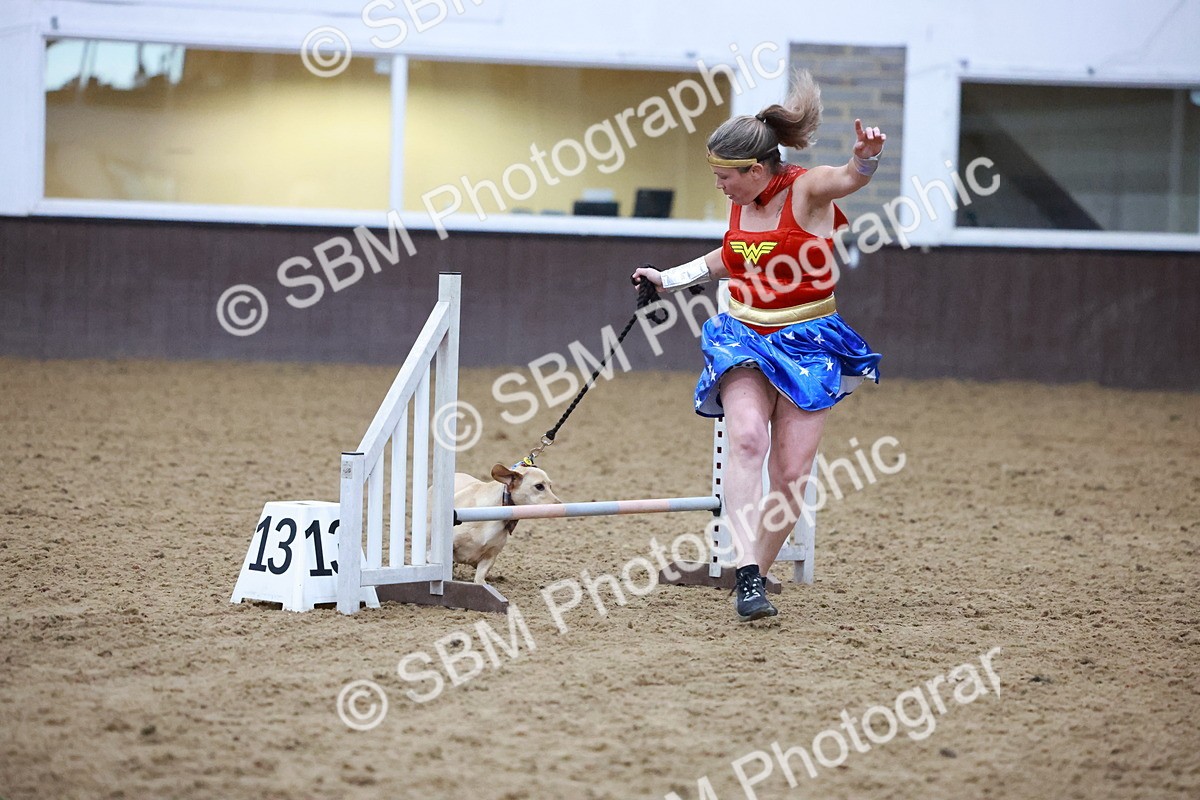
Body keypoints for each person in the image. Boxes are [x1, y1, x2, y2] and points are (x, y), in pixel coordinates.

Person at [632, 70, 883, 622]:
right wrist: (667, 279)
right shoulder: (740, 203)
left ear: (756, 169)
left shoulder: (807, 188)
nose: (720, 186)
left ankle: (756, 573)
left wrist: (864, 159)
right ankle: (746, 572)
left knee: (792, 474)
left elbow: (848, 178)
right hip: (744, 332)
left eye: (726, 177)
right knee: (746, 438)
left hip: (810, 340)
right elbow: (731, 257)